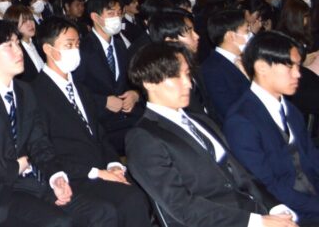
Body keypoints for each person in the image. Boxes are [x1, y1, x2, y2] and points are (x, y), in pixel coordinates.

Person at [0, 19, 114, 226]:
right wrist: (13, 168)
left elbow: (38, 142)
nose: (18, 51)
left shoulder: (25, 91)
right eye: (8, 46)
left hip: (31, 183)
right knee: (58, 222)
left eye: (17, 43)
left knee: (102, 212)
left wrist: (56, 176)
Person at [125, 42, 296, 227]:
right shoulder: (143, 137)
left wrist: (274, 207)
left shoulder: (201, 121)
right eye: (175, 76)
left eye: (187, 74)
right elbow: (181, 207)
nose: (188, 83)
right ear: (149, 83)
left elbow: (242, 173)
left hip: (251, 210)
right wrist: (256, 222)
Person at [31, 18, 153, 227]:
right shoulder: (35, 93)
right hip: (72, 176)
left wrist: (114, 164)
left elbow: (98, 133)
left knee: (142, 191)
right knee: (128, 201)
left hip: (100, 168)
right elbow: (44, 149)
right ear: (48, 49)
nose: (75, 50)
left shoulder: (80, 88)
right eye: (68, 45)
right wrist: (96, 172)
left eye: (77, 44)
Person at [224, 31, 319, 224]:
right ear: (262, 67)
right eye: (290, 66)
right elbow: (266, 186)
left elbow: (311, 155)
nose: (298, 74)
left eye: (298, 66)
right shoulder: (241, 121)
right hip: (287, 212)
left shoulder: (289, 109)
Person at [74, 0, 141, 154]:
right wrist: (103, 101)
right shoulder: (82, 49)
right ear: (95, 17)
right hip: (100, 123)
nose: (117, 18)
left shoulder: (119, 45)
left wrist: (135, 94)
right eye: (111, 14)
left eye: (119, 13)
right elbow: (75, 88)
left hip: (127, 118)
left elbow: (131, 80)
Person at [148, 9, 215, 120]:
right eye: (189, 32)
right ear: (170, 41)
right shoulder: (166, 82)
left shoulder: (193, 65)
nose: (197, 36)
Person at [199, 9, 252, 124]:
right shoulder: (212, 70)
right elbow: (229, 110)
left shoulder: (247, 59)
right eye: (246, 30)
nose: (250, 34)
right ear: (230, 36)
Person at [3, 4, 44, 82]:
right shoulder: (14, 51)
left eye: (31, 19)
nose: (30, 24)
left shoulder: (38, 42)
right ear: (14, 25)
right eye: (24, 21)